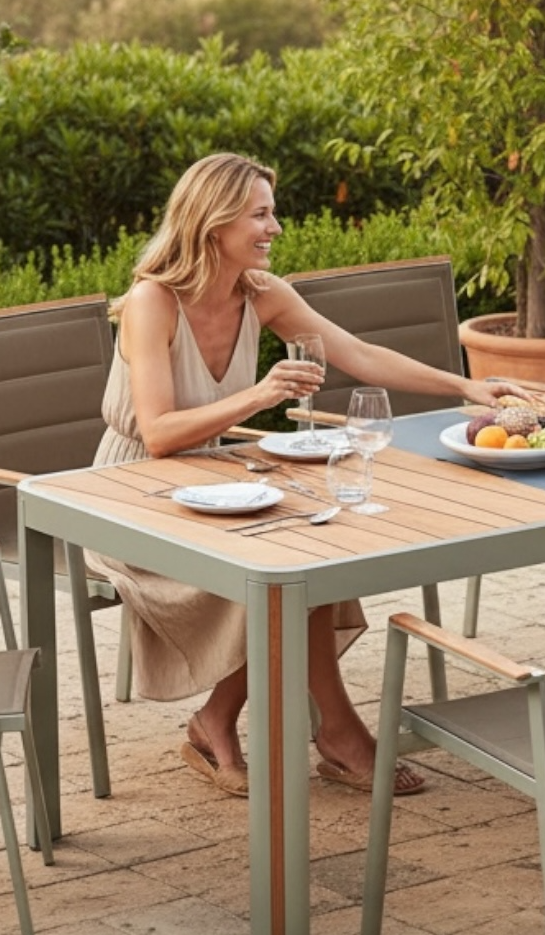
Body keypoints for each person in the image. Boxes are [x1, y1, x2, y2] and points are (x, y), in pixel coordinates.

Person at [94, 152, 510, 798]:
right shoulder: (155, 301)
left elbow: (360, 355)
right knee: (286, 579)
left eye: (272, 212)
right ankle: (335, 737)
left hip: (216, 479)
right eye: (261, 214)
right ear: (215, 221)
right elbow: (159, 433)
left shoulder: (260, 292)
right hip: (129, 495)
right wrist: (259, 396)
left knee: (312, 558)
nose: (276, 228)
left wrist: (468, 387)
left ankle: (232, 723)